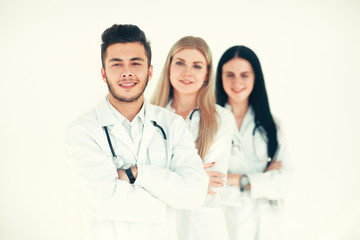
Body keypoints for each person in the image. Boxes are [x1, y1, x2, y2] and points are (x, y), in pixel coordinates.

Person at [65, 24, 209, 240]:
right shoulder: (83, 130)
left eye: (135, 63)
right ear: (103, 73)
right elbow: (107, 202)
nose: (127, 72)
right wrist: (170, 200)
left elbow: (195, 194)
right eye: (117, 64)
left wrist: (135, 173)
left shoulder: (172, 125)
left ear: (149, 71)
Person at [151, 36, 235, 240]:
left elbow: (212, 182)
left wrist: (159, 175)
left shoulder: (221, 118)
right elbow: (140, 177)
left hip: (203, 228)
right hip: (159, 226)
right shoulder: (149, 115)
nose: (187, 72)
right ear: (169, 67)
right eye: (180, 63)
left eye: (197, 66)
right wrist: (191, 178)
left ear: (207, 74)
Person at [216, 46, 293, 240]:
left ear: (255, 78)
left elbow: (284, 182)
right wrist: (261, 181)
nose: (237, 82)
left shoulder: (272, 125)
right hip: (223, 223)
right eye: (230, 75)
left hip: (265, 225)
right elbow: (207, 183)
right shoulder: (210, 123)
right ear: (220, 77)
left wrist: (236, 179)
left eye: (244, 75)